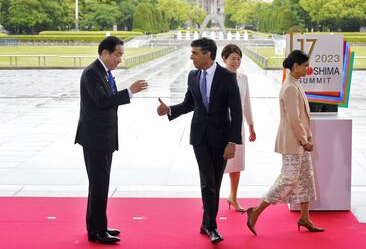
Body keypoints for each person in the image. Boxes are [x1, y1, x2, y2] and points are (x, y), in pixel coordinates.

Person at [157, 38, 242, 244]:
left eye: (195, 53)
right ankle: (212, 226)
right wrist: (169, 110)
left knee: (215, 182)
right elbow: (189, 103)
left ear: (208, 55)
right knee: (208, 181)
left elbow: (237, 111)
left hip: (221, 139)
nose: (191, 56)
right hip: (199, 137)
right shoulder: (192, 76)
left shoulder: (227, 77)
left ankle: (206, 223)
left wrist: (232, 142)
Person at [75, 36, 148, 244]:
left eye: (121, 55)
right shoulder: (92, 73)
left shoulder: (105, 73)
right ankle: (97, 231)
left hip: (104, 137)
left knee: (100, 184)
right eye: (117, 55)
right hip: (95, 138)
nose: (120, 59)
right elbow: (101, 102)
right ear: (104, 53)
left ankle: (98, 226)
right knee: (99, 184)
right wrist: (130, 92)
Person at [244, 50, 324, 236]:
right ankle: (255, 211)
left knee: (306, 178)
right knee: (288, 180)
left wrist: (308, 137)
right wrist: (304, 141)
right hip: (293, 142)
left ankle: (305, 218)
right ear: (296, 66)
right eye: (305, 66)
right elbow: (293, 120)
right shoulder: (289, 87)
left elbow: (301, 118)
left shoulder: (295, 84)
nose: (307, 69)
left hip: (300, 140)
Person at [221, 44, 256, 212]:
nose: (236, 62)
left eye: (239, 59)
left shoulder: (243, 78)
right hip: (220, 126)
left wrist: (251, 125)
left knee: (236, 163)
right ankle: (210, 199)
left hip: (238, 127)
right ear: (224, 59)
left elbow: (246, 102)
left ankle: (233, 197)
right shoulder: (217, 77)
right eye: (233, 59)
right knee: (218, 164)